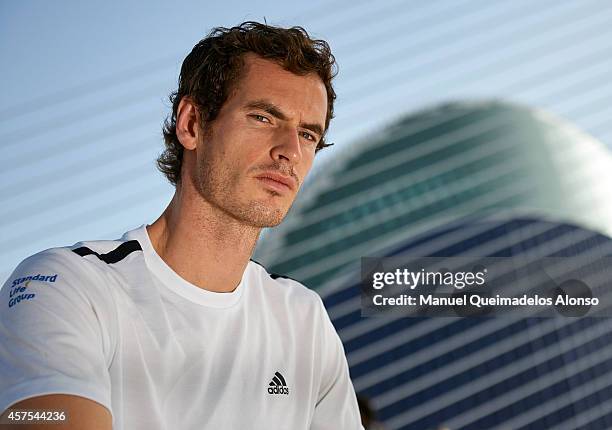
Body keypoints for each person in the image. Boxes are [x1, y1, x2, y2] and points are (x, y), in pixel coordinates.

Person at [0, 22, 363, 429]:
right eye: (263, 117)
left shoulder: (303, 320)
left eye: (308, 135)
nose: (290, 152)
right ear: (191, 124)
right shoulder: (63, 286)